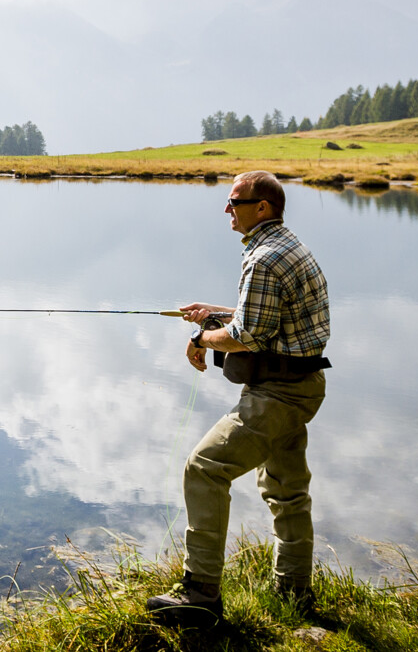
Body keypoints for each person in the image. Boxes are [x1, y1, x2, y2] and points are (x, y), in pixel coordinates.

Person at [147, 170, 331, 624]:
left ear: (262, 208)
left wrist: (203, 337)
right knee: (287, 492)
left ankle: (201, 592)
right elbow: (267, 317)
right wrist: (213, 313)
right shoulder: (288, 246)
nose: (227, 210)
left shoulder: (265, 258)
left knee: (205, 467)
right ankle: (294, 592)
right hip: (299, 386)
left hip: (279, 394)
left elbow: (249, 334)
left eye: (234, 202)